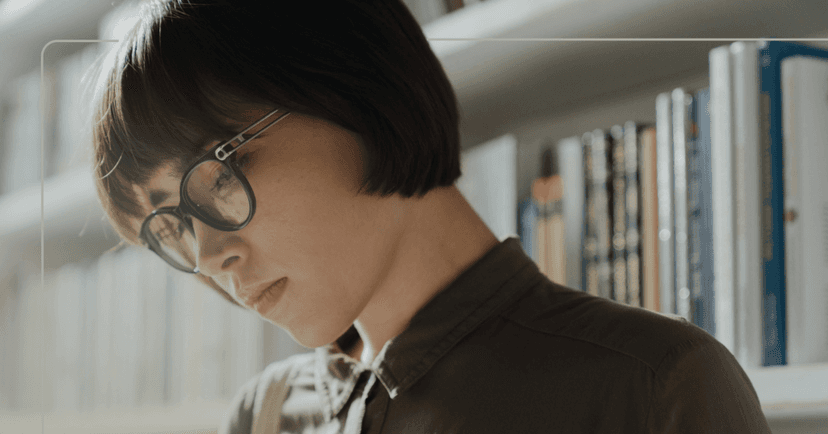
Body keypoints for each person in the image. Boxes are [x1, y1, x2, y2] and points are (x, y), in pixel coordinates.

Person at [89, 0, 772, 432]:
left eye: (214, 176)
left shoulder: (650, 385)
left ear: (351, 92)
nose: (209, 257)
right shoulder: (266, 417)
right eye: (170, 224)